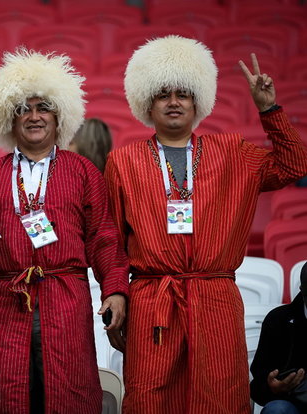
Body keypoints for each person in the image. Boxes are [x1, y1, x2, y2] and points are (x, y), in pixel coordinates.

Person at [103, 35, 307, 414]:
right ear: (148, 100)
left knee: (218, 399)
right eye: (163, 94)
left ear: (198, 99)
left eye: (183, 93)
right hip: (153, 298)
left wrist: (270, 111)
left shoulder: (233, 151)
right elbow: (113, 239)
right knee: (149, 398)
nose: (174, 101)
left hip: (215, 297)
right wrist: (116, 293)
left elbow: (295, 166)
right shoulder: (123, 161)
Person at [0, 48, 130, 414]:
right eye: (24, 108)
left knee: (67, 394)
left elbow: (104, 237)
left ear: (60, 117)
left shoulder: (83, 171)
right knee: (3, 395)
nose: (34, 116)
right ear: (9, 118)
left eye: (44, 108)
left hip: (66, 300)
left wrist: (116, 290)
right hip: (4, 304)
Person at [250, 262, 307, 414]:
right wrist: (273, 386)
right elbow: (258, 382)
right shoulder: (278, 320)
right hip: (292, 402)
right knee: (277, 410)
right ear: (302, 290)